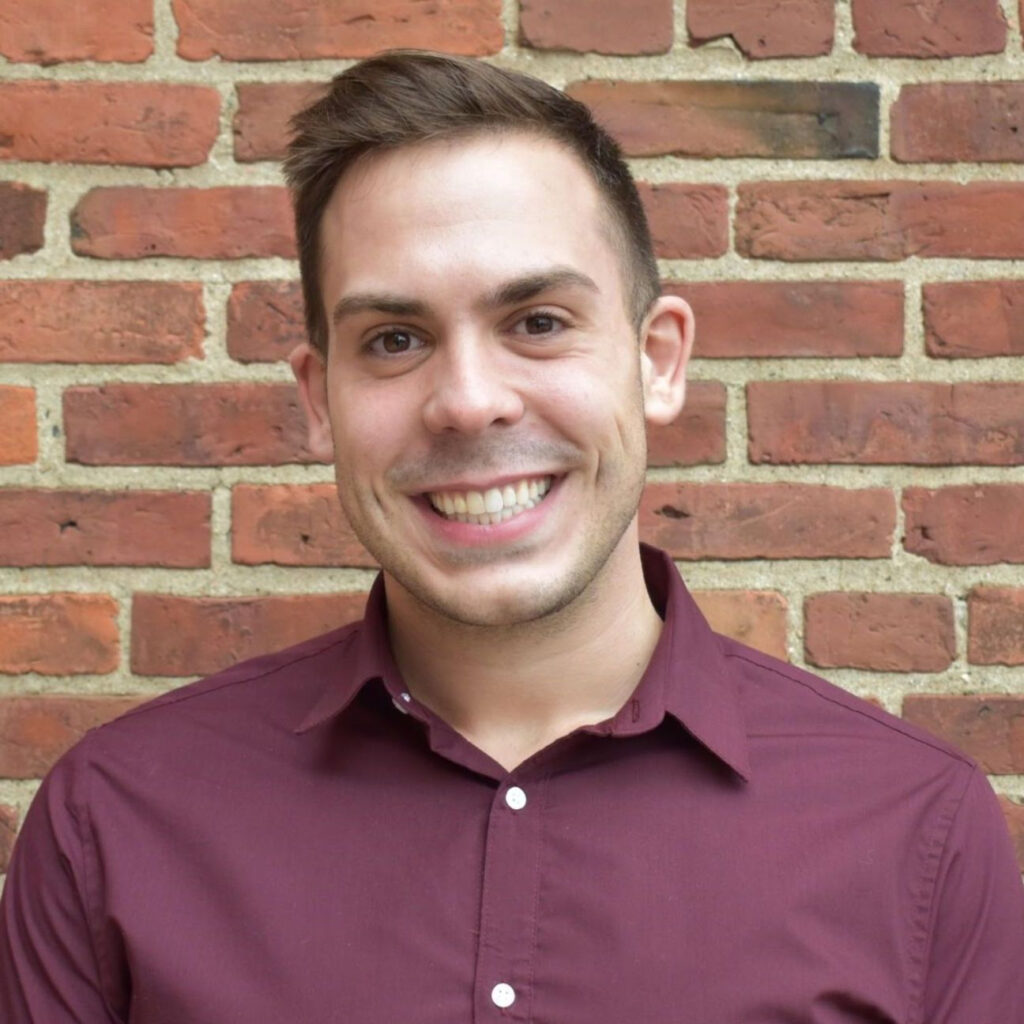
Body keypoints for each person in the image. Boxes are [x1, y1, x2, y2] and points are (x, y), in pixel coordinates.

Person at [2, 51, 1022, 1023]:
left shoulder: (913, 834)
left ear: (657, 360)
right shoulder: (117, 825)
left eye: (535, 320)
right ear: (320, 401)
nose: (468, 402)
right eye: (393, 340)